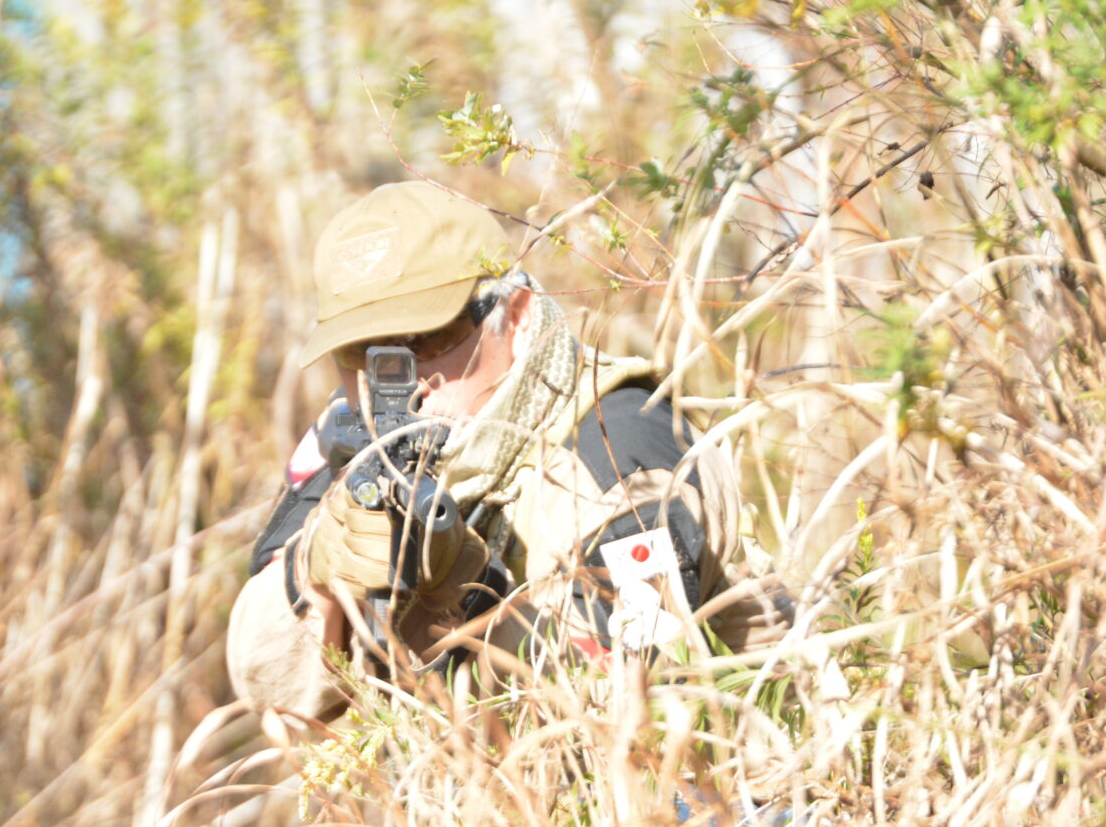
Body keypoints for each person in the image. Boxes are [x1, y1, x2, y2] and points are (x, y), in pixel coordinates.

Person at [227, 181, 789, 720]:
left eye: (428, 340)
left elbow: (607, 716)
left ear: (515, 315)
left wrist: (458, 594)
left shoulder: (619, 461)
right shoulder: (361, 442)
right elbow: (266, 691)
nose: (398, 381)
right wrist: (318, 579)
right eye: (360, 353)